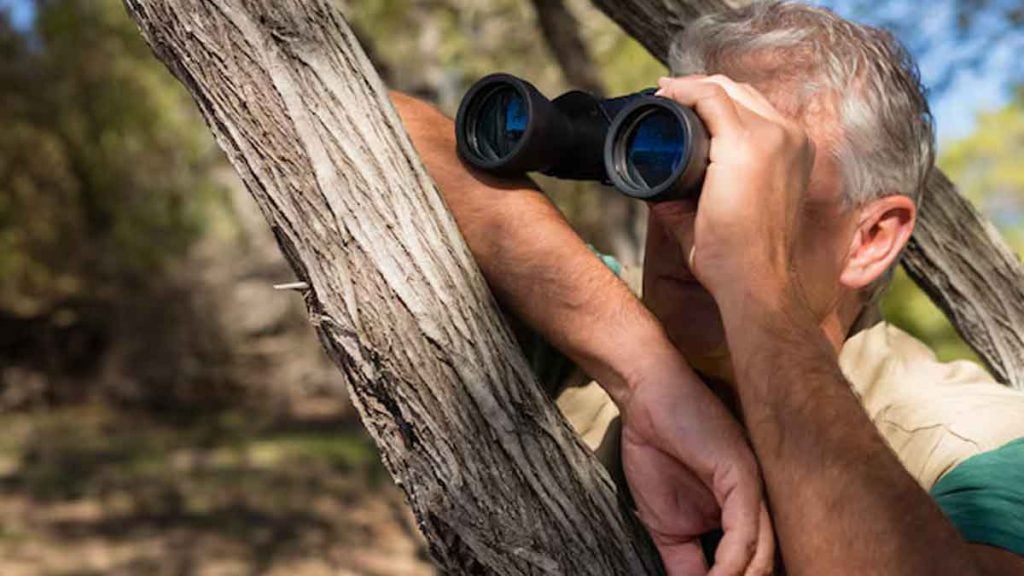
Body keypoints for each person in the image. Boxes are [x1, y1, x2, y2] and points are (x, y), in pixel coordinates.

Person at [390, 2, 1024, 574]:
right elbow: (395, 127)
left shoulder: (981, 442)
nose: (687, 222)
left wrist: (754, 286)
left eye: (751, 186)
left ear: (871, 239)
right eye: (673, 165)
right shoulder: (579, 324)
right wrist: (645, 374)